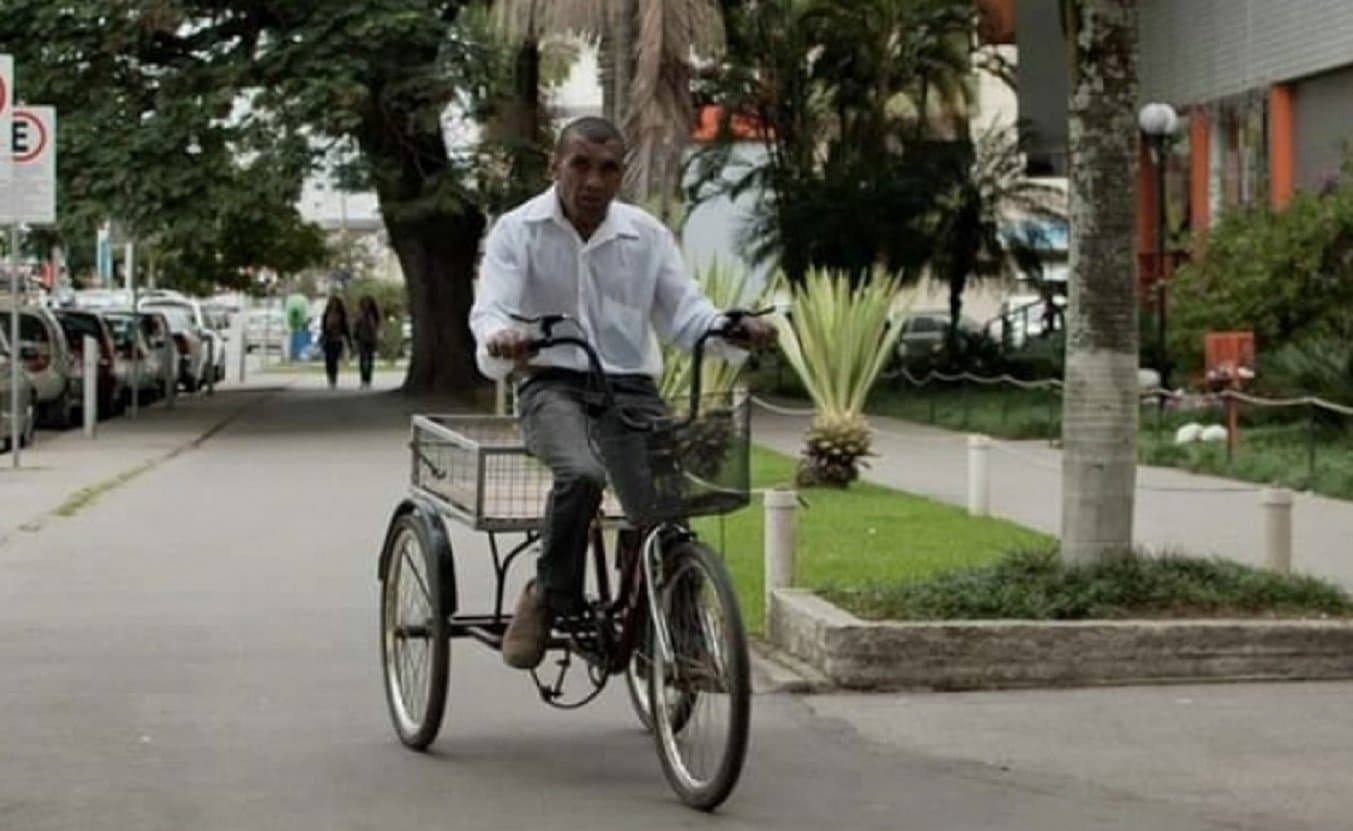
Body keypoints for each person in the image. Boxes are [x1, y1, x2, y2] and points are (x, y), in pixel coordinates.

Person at [469, 116, 777, 670]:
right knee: (582, 474)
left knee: (664, 507)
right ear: (555, 166)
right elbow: (492, 306)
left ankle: (678, 630)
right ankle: (547, 594)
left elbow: (686, 312)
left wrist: (731, 326)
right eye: (580, 165)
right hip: (551, 384)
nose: (593, 181)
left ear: (622, 174)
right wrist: (503, 337)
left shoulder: (645, 235)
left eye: (608, 168)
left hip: (630, 389)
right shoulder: (518, 230)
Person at [319, 295, 351, 389]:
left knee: (334, 359)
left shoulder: (341, 315)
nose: (334, 305)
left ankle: (334, 378)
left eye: (335, 303)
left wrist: (348, 340)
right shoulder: (326, 315)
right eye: (332, 303)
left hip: (337, 339)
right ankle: (330, 377)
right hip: (328, 339)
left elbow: (345, 328)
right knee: (328, 360)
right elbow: (323, 327)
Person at [353, 295, 381, 389]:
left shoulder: (374, 315)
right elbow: (356, 327)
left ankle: (368, 380)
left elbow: (376, 327)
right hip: (362, 340)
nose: (366, 305)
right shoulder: (360, 314)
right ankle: (363, 380)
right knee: (362, 360)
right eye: (364, 303)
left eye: (367, 303)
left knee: (369, 360)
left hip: (371, 339)